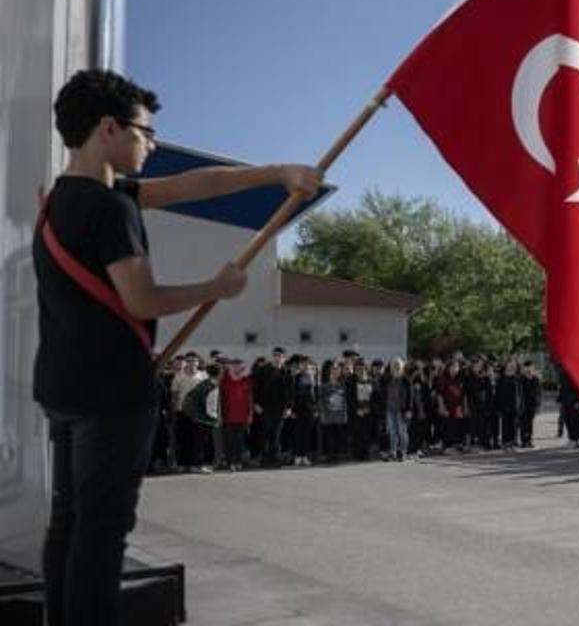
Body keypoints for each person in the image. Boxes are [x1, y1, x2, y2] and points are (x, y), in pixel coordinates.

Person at [33, 69, 319, 626]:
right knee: (102, 533)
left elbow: (193, 185)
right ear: (108, 129)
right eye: (145, 131)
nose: (152, 143)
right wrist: (216, 288)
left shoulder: (61, 200)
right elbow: (140, 299)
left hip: (63, 390)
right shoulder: (111, 209)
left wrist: (276, 174)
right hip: (112, 396)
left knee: (69, 522)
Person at [219, 358, 254, 471]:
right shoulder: (225, 380)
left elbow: (250, 399)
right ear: (230, 367)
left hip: (243, 415)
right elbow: (220, 398)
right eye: (234, 365)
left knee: (239, 440)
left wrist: (250, 414)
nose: (236, 368)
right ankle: (230, 462)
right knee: (229, 440)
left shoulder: (246, 380)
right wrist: (220, 414)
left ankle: (238, 461)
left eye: (238, 365)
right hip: (228, 415)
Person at [382, 357, 412, 460]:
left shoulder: (406, 379)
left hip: (401, 410)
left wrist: (408, 409)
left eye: (398, 365)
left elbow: (410, 396)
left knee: (402, 432)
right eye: (394, 365)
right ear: (391, 368)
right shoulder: (388, 379)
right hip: (390, 409)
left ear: (402, 367)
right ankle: (393, 452)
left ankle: (403, 452)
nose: (396, 367)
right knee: (392, 432)